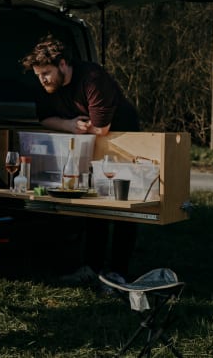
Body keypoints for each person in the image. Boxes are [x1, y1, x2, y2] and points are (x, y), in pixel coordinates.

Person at [21, 33, 139, 283]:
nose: (42, 80)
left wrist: (81, 128)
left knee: (122, 208)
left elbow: (101, 128)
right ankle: (92, 268)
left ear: (63, 64)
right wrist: (69, 124)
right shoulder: (46, 85)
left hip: (122, 141)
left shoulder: (92, 78)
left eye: (46, 73)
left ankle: (118, 271)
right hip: (87, 141)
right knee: (92, 206)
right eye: (38, 75)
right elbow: (44, 119)